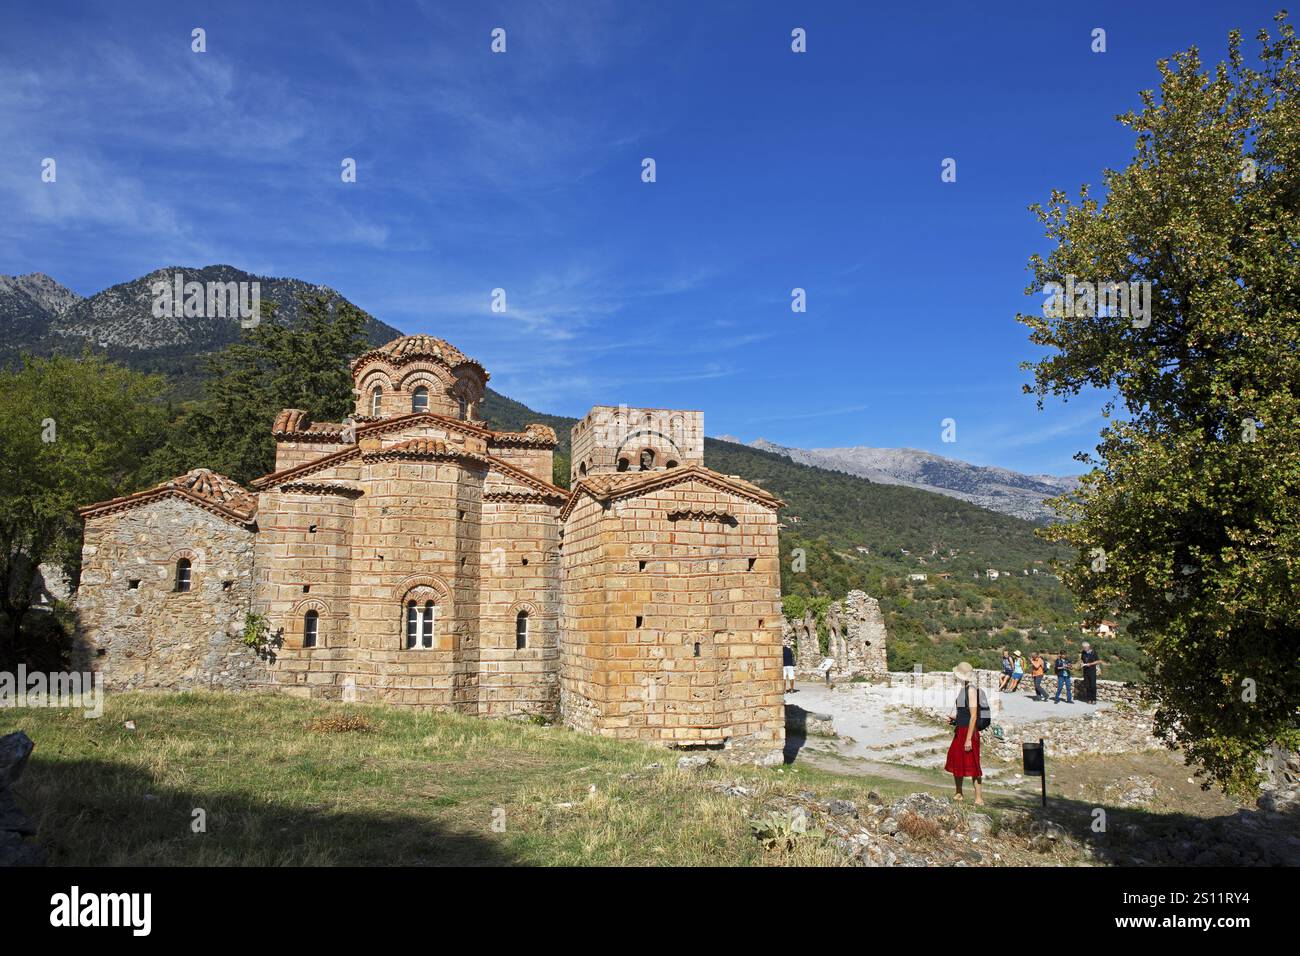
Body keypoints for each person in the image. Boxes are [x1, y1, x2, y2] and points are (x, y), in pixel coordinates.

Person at [945, 661, 984, 805]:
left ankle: (979, 798)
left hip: (969, 732)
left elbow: (973, 716)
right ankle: (959, 792)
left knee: (973, 763)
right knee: (956, 760)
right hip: (960, 730)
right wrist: (954, 720)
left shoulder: (971, 690)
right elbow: (964, 713)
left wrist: (968, 739)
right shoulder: (964, 688)